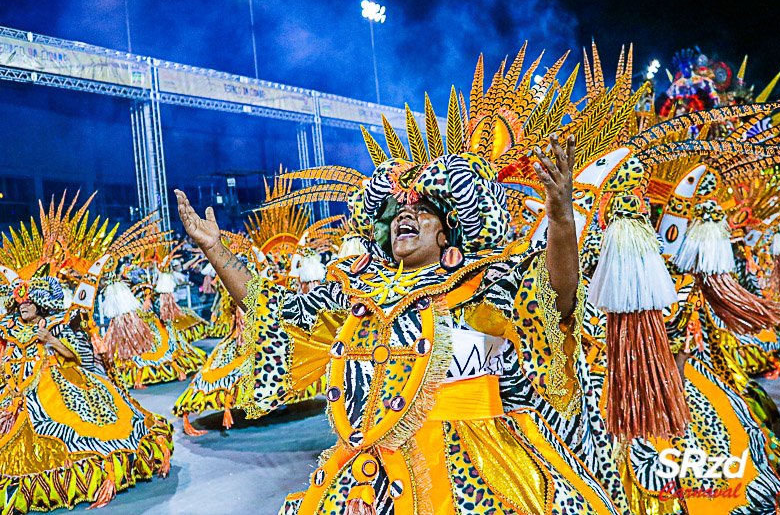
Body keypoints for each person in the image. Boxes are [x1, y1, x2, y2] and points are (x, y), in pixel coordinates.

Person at [175, 125, 626, 514]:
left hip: (476, 470)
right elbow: (273, 311)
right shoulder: (356, 297)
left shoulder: (485, 285)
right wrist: (215, 249)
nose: (405, 216)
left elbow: (558, 299)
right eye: (396, 214)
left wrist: (560, 217)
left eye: (422, 211)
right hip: (368, 479)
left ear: (450, 230)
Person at [0, 276, 171, 513]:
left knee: (81, 430)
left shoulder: (57, 324)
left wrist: (50, 340)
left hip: (55, 384)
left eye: (28, 301)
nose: (23, 306)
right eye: (20, 303)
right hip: (14, 390)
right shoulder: (8, 328)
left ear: (40, 304)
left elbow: (75, 356)